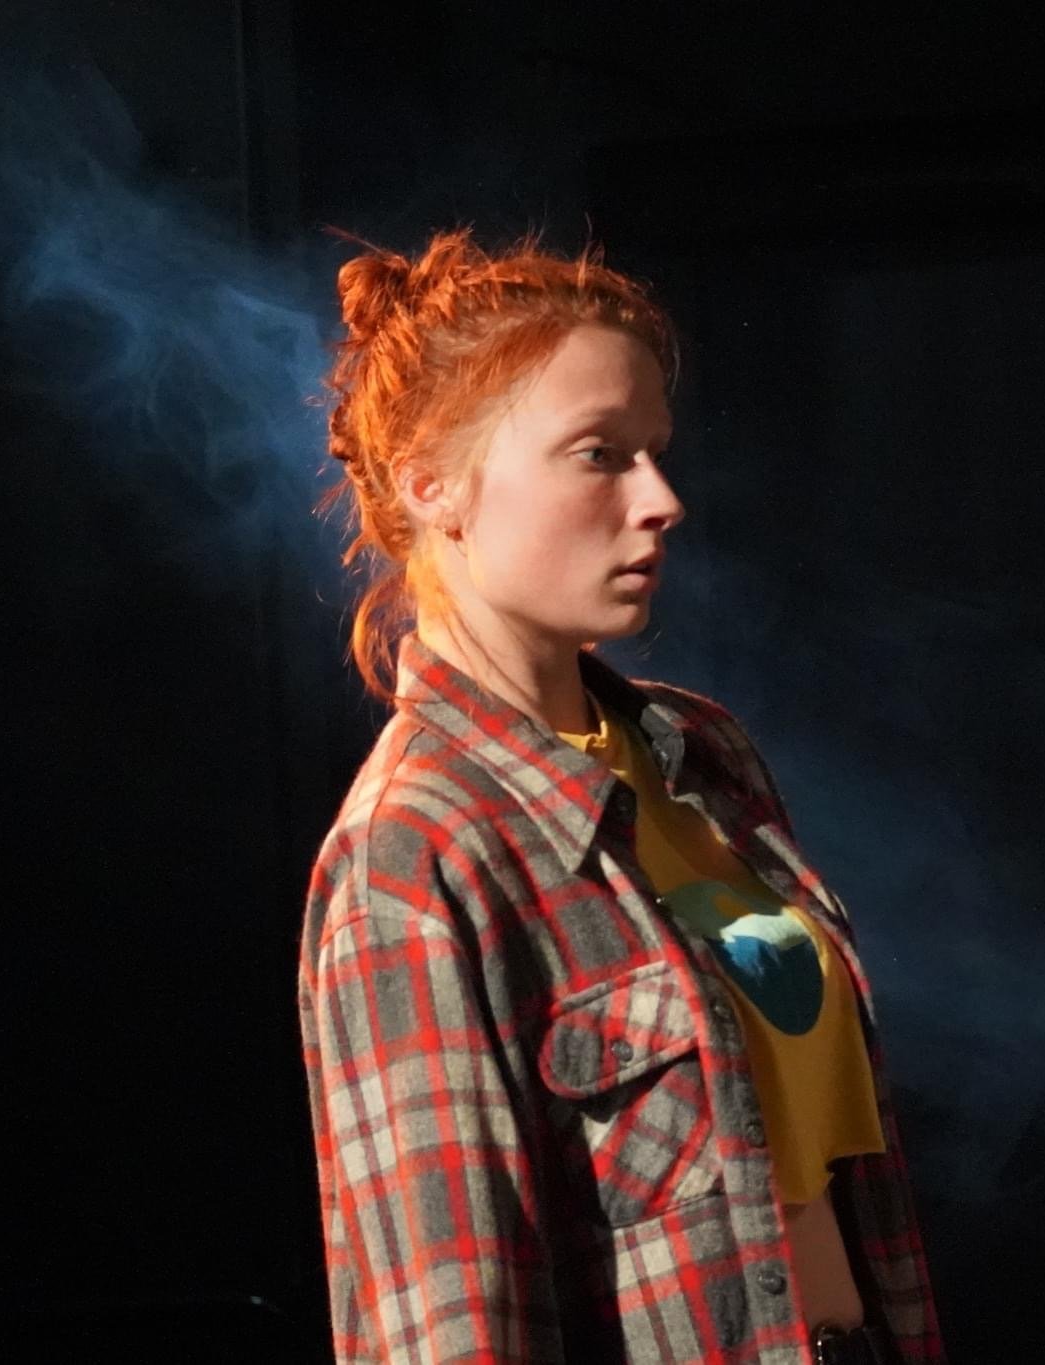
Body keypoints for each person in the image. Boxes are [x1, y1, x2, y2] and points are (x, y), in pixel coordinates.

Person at [297, 228, 943, 1365]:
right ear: (433, 484)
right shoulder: (417, 852)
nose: (663, 500)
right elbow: (453, 1327)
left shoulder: (701, 751)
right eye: (600, 455)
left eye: (656, 453)